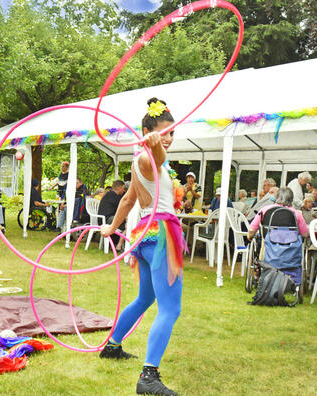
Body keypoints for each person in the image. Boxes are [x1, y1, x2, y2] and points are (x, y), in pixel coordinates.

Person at [99, 97, 187, 396]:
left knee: (145, 297)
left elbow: (128, 200)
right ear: (148, 130)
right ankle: (149, 376)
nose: (170, 137)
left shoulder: (140, 161)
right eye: (165, 132)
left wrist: (111, 228)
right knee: (170, 308)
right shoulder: (148, 158)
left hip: (145, 236)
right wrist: (154, 145)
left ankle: (112, 346)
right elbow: (157, 159)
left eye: (173, 132)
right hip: (161, 235)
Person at [99, 180, 126, 249]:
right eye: (123, 188)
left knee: (126, 223)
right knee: (126, 224)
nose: (124, 191)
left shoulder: (116, 195)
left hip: (111, 217)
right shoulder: (111, 195)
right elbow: (120, 211)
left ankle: (117, 244)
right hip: (106, 219)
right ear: (119, 188)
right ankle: (118, 245)